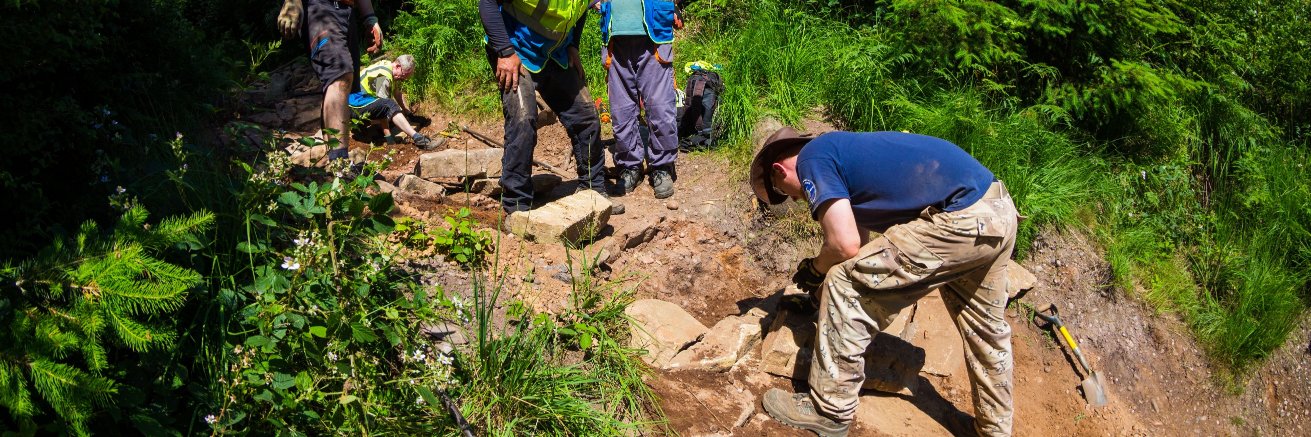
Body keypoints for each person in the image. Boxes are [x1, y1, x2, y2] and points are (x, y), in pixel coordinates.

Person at [750, 127, 1020, 437]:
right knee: (987, 331)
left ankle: (829, 410)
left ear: (778, 169)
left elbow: (844, 246)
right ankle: (994, 431)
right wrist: (814, 298)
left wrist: (815, 268)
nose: (797, 199)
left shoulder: (813, 158)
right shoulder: (845, 152)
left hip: (961, 219)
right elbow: (858, 248)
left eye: (787, 192)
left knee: (843, 285)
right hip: (997, 209)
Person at [479, 0, 624, 214]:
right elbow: (488, 2)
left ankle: (593, 191)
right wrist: (505, 51)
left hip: (554, 54)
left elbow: (579, 11)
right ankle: (517, 205)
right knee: (523, 119)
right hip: (515, 50)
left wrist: (574, 45)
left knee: (587, 117)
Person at [279, 0, 384, 162]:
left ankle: (332, 164)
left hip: (347, 13)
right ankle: (340, 164)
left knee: (338, 83)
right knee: (340, 74)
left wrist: (370, 19)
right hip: (320, 8)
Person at [597, 0, 679, 199]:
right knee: (621, 110)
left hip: (654, 36)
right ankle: (629, 166)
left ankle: (662, 167)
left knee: (660, 107)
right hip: (615, 39)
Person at [348, 55, 435, 149]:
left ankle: (371, 127)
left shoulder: (389, 68)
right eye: (403, 75)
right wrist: (389, 137)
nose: (403, 79)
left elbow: (397, 93)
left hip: (360, 103)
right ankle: (418, 139)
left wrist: (409, 114)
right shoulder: (383, 76)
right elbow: (384, 109)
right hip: (354, 108)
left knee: (393, 113)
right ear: (398, 66)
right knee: (389, 105)